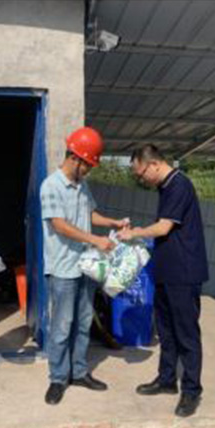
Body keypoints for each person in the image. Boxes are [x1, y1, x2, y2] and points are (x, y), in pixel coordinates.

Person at [118, 144, 209, 417]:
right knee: (166, 331)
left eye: (141, 174)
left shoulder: (179, 185)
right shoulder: (165, 187)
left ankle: (191, 390)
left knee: (186, 333)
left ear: (154, 164)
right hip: (166, 270)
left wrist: (134, 233)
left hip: (184, 272)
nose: (141, 179)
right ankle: (167, 379)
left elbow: (163, 227)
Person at [40, 127, 129, 405]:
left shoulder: (82, 185)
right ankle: (58, 378)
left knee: (83, 323)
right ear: (75, 158)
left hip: (86, 267)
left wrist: (112, 222)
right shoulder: (51, 186)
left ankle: (78, 372)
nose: (88, 170)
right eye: (87, 165)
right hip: (63, 269)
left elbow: (90, 214)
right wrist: (95, 240)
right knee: (61, 326)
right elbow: (59, 225)